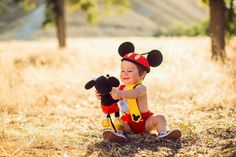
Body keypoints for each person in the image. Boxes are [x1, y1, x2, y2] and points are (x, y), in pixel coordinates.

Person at [96, 42, 181, 143]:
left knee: (160, 118)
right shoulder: (121, 88)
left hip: (145, 122)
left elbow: (135, 93)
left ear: (142, 74)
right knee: (117, 122)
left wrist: (121, 94)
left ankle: (163, 133)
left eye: (130, 71)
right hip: (128, 122)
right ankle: (118, 135)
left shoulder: (141, 88)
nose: (125, 74)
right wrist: (103, 95)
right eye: (122, 70)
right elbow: (112, 95)